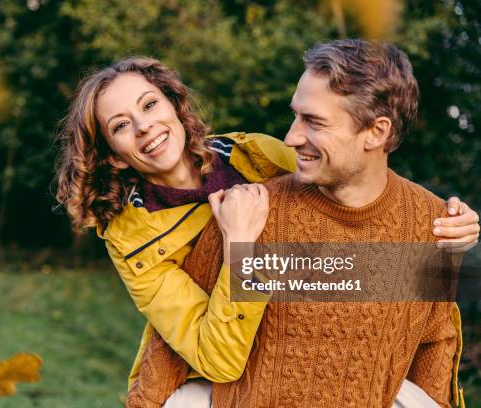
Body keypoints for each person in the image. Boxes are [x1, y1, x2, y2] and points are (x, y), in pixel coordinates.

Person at [53, 56, 479, 406]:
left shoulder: (253, 155)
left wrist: (441, 220)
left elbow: (350, 173)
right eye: (121, 126)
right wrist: (241, 247)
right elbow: (216, 360)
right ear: (115, 156)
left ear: (174, 105)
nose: (143, 126)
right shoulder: (134, 242)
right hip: (219, 379)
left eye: (149, 105)